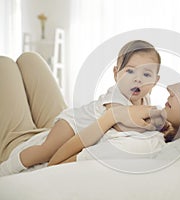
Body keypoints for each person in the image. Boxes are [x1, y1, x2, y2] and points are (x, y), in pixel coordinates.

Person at [0, 40, 165, 176]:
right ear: (116, 74)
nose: (138, 79)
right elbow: (118, 122)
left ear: (156, 81)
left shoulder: (144, 99)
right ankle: (7, 169)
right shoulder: (115, 96)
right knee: (46, 150)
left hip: (80, 131)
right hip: (72, 124)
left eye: (146, 75)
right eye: (130, 71)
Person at [47, 63, 180, 166]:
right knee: (30, 63)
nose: (169, 87)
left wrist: (113, 116)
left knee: (27, 63)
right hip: (55, 126)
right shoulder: (164, 128)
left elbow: (55, 164)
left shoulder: (142, 145)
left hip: (37, 142)